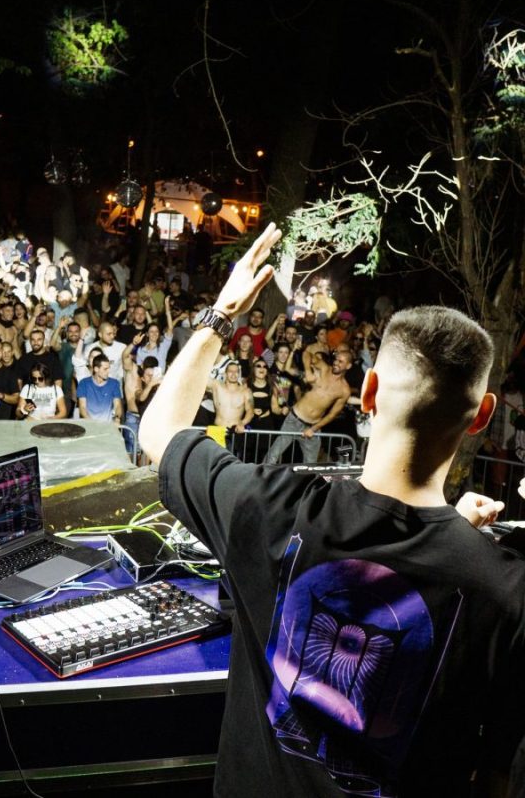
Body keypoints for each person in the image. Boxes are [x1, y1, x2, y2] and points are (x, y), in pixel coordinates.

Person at [140, 223, 517, 798]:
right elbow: (495, 773)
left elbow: (158, 432)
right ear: (482, 415)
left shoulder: (268, 507)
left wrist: (222, 315)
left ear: (367, 392)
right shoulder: (505, 591)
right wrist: (459, 541)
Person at [264, 346, 350, 464]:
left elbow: (332, 414)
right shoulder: (324, 368)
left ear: (348, 366)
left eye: (341, 361)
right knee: (273, 456)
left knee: (310, 464)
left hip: (313, 426)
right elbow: (306, 353)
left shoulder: (344, 390)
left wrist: (313, 429)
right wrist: (308, 371)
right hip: (294, 419)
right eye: (336, 359)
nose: (336, 363)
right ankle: (261, 475)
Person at [77, 355, 123, 424]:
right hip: (90, 425)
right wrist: (93, 424)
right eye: (105, 369)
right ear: (96, 369)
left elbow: (117, 405)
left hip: (108, 426)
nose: (108, 371)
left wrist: (117, 417)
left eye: (109, 368)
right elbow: (82, 408)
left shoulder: (114, 383)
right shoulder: (84, 383)